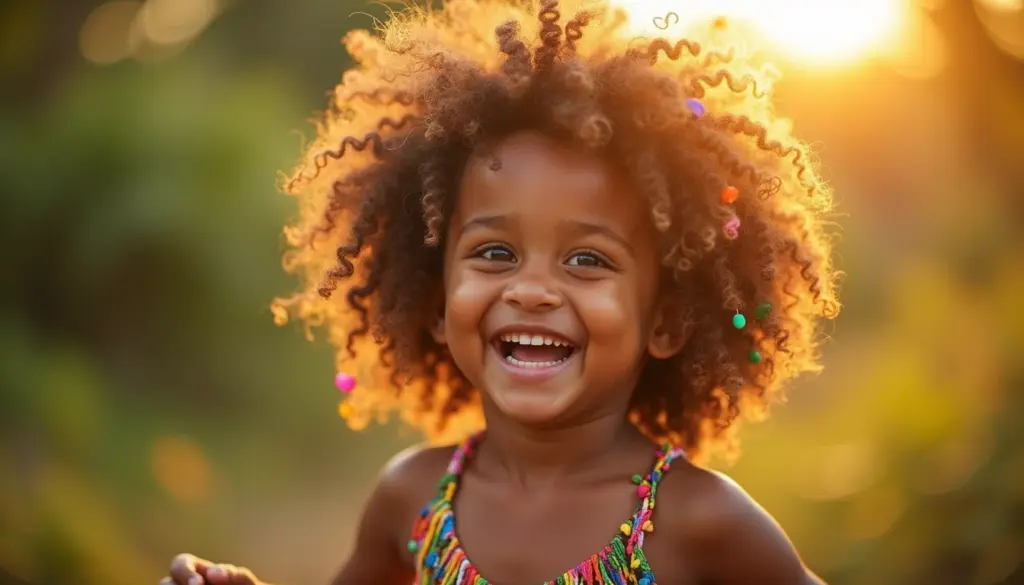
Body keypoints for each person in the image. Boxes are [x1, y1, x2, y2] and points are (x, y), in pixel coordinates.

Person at [162, 0, 842, 583]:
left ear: (663, 321)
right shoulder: (411, 497)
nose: (534, 289)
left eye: (585, 258)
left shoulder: (703, 519)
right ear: (435, 303)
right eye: (495, 253)